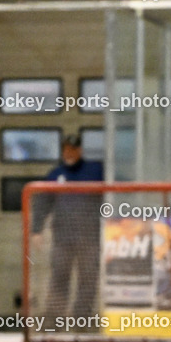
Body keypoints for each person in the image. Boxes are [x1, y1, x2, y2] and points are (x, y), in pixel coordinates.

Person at [30, 134, 104, 326]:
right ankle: (54, 318)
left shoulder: (96, 170)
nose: (68, 153)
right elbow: (43, 203)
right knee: (59, 276)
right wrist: (36, 230)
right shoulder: (55, 174)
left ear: (80, 150)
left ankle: (82, 319)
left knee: (88, 279)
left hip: (90, 238)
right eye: (65, 150)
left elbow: (115, 191)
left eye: (72, 149)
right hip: (62, 238)